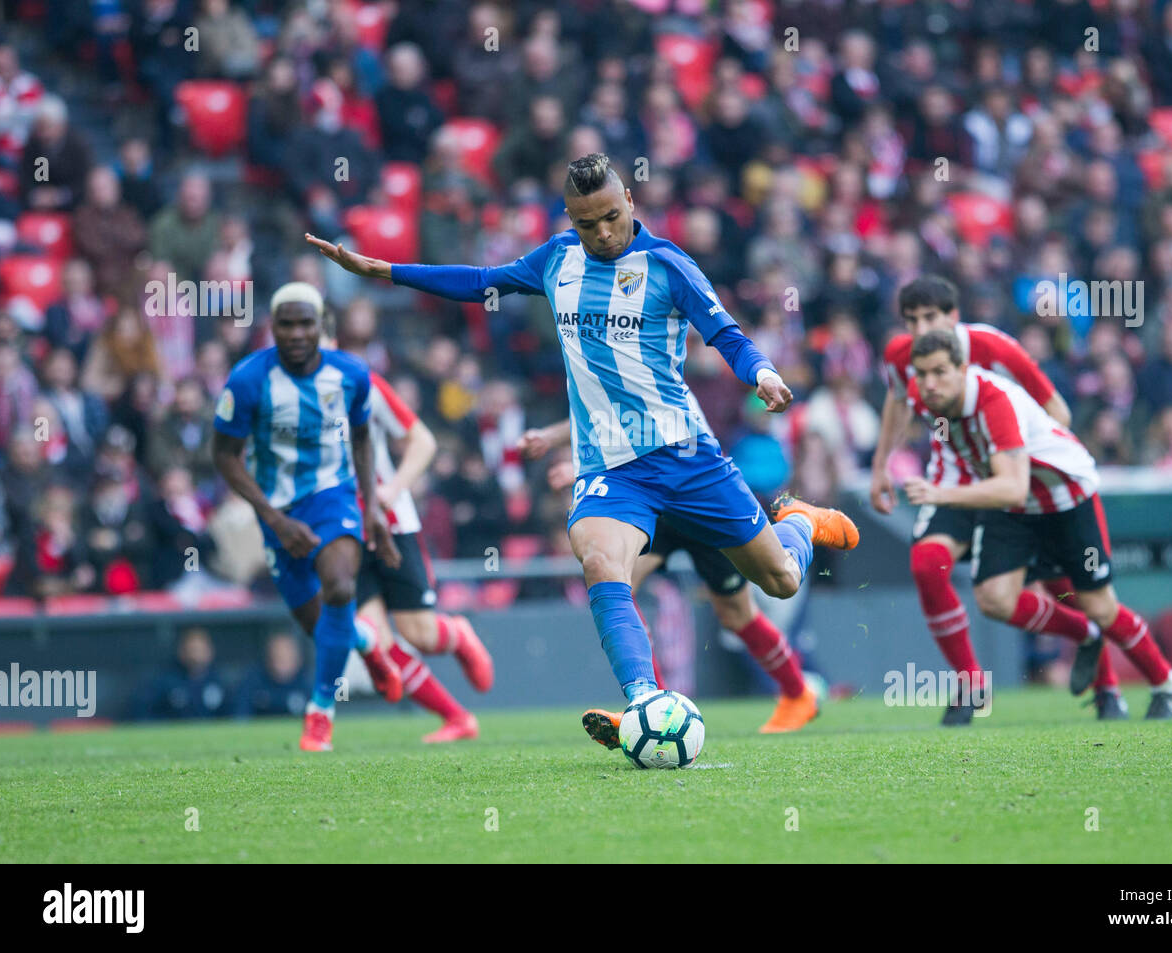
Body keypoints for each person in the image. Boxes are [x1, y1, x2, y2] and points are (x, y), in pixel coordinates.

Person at [306, 153, 859, 756]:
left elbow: (725, 332)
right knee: (600, 561)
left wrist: (763, 374)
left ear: (631, 204)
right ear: (569, 217)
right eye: (586, 221)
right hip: (612, 469)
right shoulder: (555, 259)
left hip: (688, 458)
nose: (601, 233)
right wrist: (386, 271)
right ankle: (645, 701)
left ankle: (800, 521)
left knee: (777, 580)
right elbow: (480, 282)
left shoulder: (668, 265)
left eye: (612, 218)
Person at [871, 276, 1129, 722]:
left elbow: (1058, 411)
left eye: (929, 318)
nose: (918, 330)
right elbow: (898, 401)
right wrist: (881, 466)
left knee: (1062, 588)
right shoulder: (902, 356)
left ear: (954, 318)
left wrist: (1032, 466)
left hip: (1010, 485)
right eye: (910, 320)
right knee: (926, 564)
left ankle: (1107, 688)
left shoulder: (996, 348)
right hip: (951, 478)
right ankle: (970, 684)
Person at [903, 329, 1172, 720]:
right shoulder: (923, 397)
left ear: (963, 368)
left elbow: (1011, 484)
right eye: (922, 374)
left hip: (1065, 498)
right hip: (1017, 506)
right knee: (994, 599)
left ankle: (1168, 684)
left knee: (1099, 606)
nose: (929, 383)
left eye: (939, 372)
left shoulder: (994, 401)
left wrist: (941, 494)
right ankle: (1084, 638)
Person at [519, 418, 818, 733]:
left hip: (696, 499)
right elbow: (598, 410)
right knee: (617, 583)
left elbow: (617, 419)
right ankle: (651, 707)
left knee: (738, 615)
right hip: (657, 508)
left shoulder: (660, 387)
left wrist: (581, 463)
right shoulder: (613, 380)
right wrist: (554, 441)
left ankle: (798, 695)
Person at [211, 282, 403, 752]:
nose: (296, 333)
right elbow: (224, 457)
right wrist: (274, 520)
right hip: (276, 508)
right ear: (272, 328)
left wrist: (371, 506)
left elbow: (362, 438)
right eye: (286, 324)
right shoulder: (247, 379)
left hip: (332, 496)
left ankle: (319, 713)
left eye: (305, 323)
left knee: (340, 587)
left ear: (322, 326)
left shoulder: (352, 375)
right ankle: (364, 639)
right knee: (321, 627)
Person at [319, 313, 493, 744]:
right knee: (376, 642)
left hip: (389, 525)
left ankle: (457, 634)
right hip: (338, 535)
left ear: (329, 338)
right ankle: (457, 718)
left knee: (420, 634)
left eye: (314, 334)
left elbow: (424, 441)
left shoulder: (360, 383)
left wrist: (392, 490)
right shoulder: (278, 400)